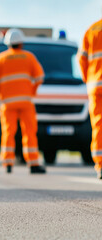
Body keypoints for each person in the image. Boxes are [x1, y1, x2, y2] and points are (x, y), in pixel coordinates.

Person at [0, 28, 46, 174]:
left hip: (7, 103)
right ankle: (33, 163)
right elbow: (40, 77)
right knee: (29, 132)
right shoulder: (29, 57)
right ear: (21, 43)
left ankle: (8, 163)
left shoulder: (0, 59)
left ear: (8, 44)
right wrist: (31, 91)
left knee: (8, 132)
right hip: (26, 102)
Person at [78, 19, 102, 179]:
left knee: (98, 125)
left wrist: (88, 79)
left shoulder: (92, 29)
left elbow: (82, 59)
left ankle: (100, 165)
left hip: (95, 85)